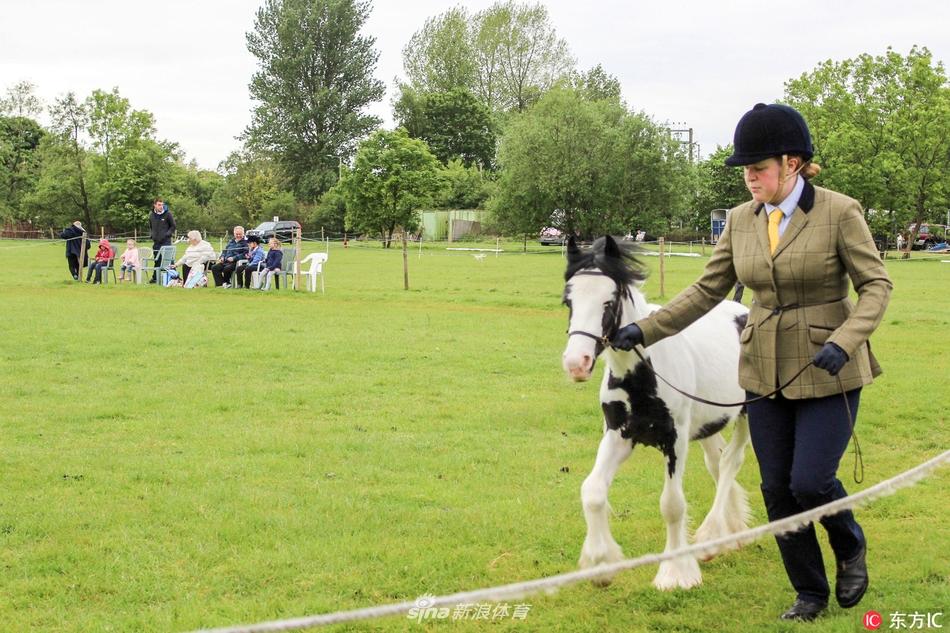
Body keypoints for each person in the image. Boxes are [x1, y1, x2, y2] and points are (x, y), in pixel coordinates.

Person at [611, 103, 891, 622]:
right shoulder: (741, 221)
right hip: (761, 368)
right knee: (776, 487)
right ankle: (809, 592)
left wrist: (848, 338)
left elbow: (876, 285)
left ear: (792, 163)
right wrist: (643, 328)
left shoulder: (839, 211)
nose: (749, 179)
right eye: (744, 170)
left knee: (810, 482)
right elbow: (706, 290)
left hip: (828, 365)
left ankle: (849, 543)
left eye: (757, 169)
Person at [149, 198, 176, 283]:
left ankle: (174, 277)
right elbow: (151, 226)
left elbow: (173, 226)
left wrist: (167, 234)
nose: (161, 206)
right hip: (156, 242)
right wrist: (152, 235)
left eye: (162, 204)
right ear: (155, 205)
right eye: (159, 205)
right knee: (157, 260)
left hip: (166, 242)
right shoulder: (151, 215)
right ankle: (155, 278)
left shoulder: (168, 214)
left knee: (168, 260)